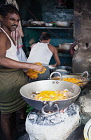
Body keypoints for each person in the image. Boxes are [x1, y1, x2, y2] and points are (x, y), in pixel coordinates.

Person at [0, 4, 44, 140]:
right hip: (6, 81)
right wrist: (29, 65)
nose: (15, 23)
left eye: (17, 20)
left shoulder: (9, 34)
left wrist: (25, 69)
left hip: (15, 77)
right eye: (12, 19)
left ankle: (15, 132)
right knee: (6, 114)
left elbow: (11, 56)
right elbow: (0, 59)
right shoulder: (1, 36)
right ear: (1, 18)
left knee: (13, 112)